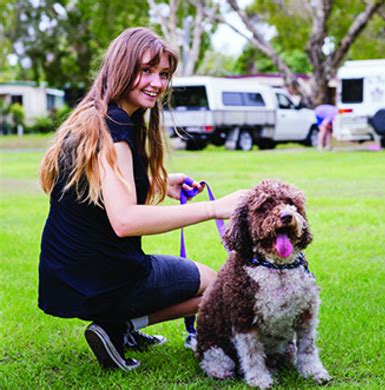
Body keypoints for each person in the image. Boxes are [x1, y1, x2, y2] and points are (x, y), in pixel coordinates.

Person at [38, 27, 246, 372]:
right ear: (121, 67)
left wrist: (159, 184)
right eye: (146, 70)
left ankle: (122, 323)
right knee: (217, 284)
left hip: (68, 276)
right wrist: (214, 208)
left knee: (195, 280)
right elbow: (125, 221)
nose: (156, 82)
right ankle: (120, 325)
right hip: (106, 278)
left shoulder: (94, 116)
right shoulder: (115, 128)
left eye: (163, 74)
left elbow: (101, 191)